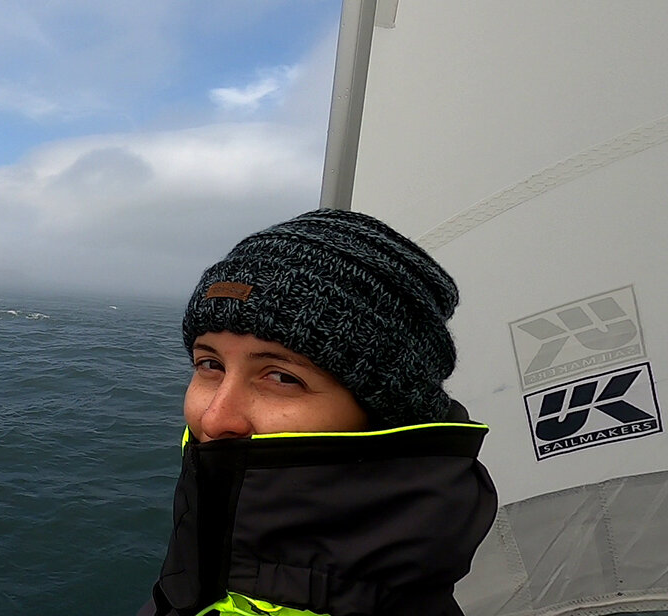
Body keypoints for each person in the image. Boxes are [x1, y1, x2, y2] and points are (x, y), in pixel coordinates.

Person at [138, 209, 498, 616]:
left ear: (387, 413)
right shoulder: (200, 564)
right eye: (210, 365)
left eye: (283, 378)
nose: (216, 418)